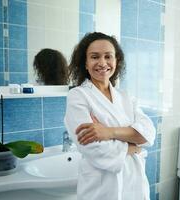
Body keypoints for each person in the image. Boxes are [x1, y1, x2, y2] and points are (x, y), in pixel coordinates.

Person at [64, 32, 156, 200]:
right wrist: (132, 146)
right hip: (102, 188)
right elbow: (93, 147)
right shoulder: (78, 96)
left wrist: (109, 132)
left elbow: (148, 133)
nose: (102, 63)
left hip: (134, 183)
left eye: (108, 56)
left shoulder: (126, 97)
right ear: (85, 63)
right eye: (94, 57)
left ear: (116, 61)